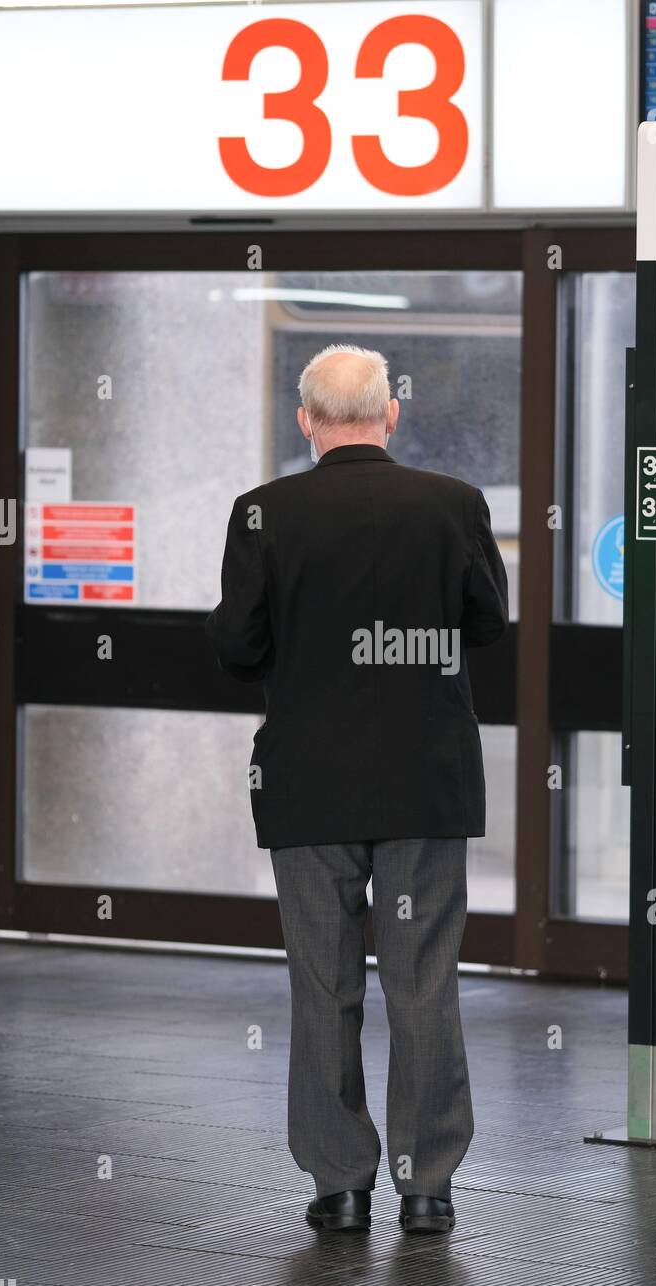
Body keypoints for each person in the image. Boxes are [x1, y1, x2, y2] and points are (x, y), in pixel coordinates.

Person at [206, 344, 508, 1233]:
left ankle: (339, 1188)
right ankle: (427, 1189)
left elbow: (235, 647)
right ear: (392, 414)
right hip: (424, 782)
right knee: (424, 980)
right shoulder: (453, 505)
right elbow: (488, 622)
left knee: (322, 982)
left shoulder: (263, 515)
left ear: (306, 421)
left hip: (308, 786)